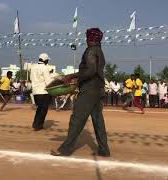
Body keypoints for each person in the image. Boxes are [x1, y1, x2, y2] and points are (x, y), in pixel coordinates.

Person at [51, 28, 110, 157]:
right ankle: (104, 149)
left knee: (77, 119)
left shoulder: (90, 51)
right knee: (98, 120)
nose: (86, 39)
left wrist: (72, 76)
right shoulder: (100, 51)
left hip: (89, 90)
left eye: (87, 37)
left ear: (90, 38)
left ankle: (65, 149)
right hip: (98, 90)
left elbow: (90, 70)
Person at [30, 53, 54, 131]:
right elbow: (48, 81)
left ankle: (35, 124)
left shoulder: (33, 67)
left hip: (35, 92)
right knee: (43, 109)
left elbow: (32, 78)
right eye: (47, 60)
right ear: (45, 60)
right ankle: (38, 125)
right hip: (43, 92)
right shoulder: (44, 67)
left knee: (39, 109)